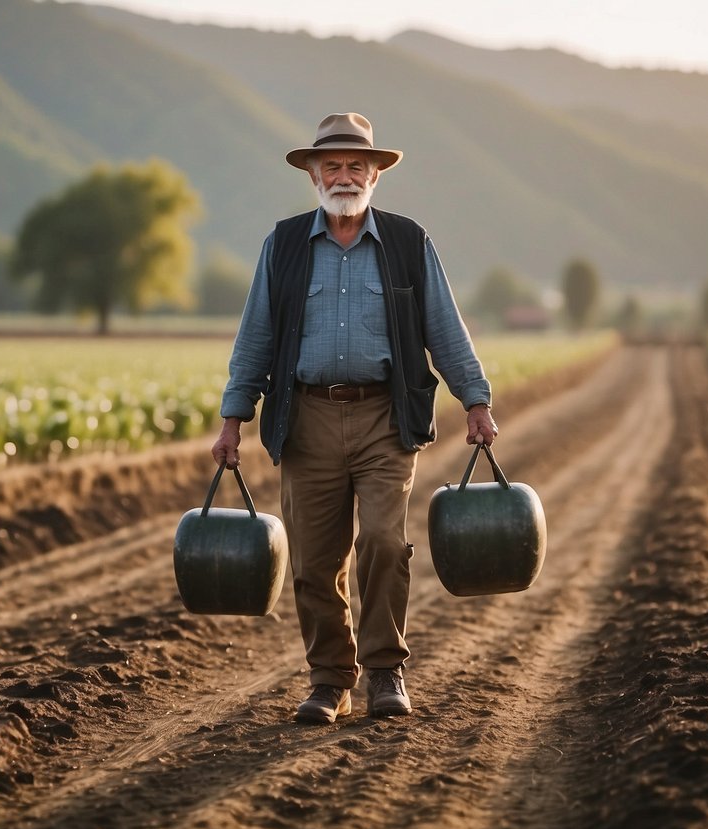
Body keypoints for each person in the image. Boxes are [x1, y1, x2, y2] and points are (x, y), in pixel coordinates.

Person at [212, 112, 497, 724]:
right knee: (315, 559)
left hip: (383, 418)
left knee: (383, 543)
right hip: (306, 418)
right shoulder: (284, 245)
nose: (344, 176)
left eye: (356, 167)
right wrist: (234, 419)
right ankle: (329, 680)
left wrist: (475, 400)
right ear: (313, 174)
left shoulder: (407, 242)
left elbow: (443, 329)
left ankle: (386, 671)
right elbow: (256, 337)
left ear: (375, 175)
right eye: (332, 166)